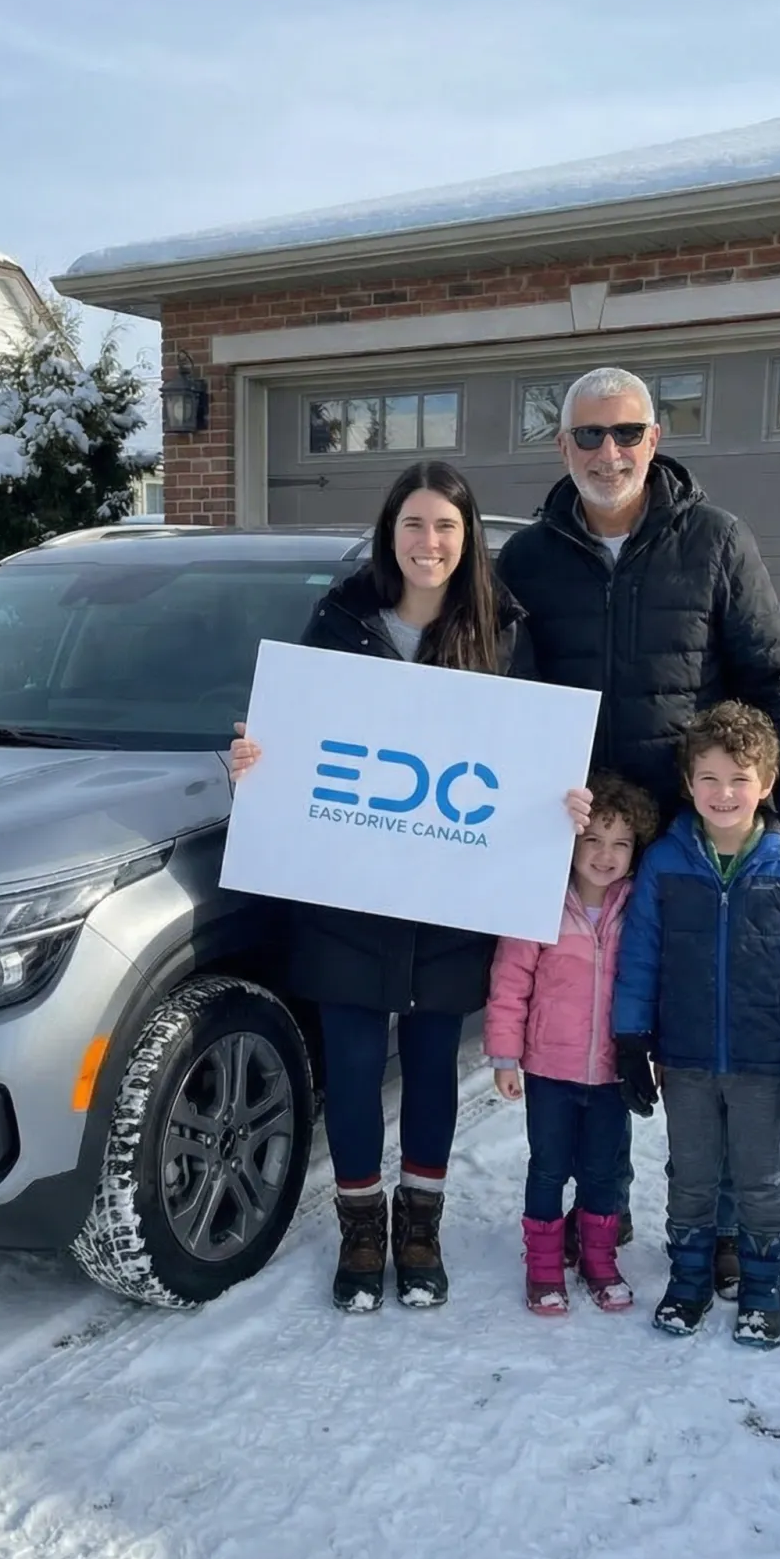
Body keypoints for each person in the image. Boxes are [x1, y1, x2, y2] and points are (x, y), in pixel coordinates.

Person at [229, 459, 590, 1315]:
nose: (430, 543)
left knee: (430, 1069)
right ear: (390, 532)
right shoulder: (340, 620)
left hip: (452, 897)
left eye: (446, 527)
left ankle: (419, 1228)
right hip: (348, 895)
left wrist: (562, 801)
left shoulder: (504, 632)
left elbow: (529, 757)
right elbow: (299, 742)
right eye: (414, 524)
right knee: (355, 1070)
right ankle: (361, 1229)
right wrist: (254, 762)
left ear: (469, 540)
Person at [494, 364, 780, 1273]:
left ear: (655, 439)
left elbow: (773, 674)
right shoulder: (527, 560)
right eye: (590, 435)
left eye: (626, 433)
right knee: (588, 1026)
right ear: (563, 446)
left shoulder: (715, 539)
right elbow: (498, 693)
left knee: (698, 1034)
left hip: (691, 837)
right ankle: (594, 1206)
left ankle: (714, 1222)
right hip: (582, 842)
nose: (609, 452)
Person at [612, 702, 780, 1348]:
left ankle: (762, 1288)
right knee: (689, 1174)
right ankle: (688, 1280)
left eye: (740, 778)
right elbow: (639, 956)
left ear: (767, 784)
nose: (724, 793)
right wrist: (631, 1041)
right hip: (684, 1057)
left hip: (761, 1059)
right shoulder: (665, 862)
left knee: (759, 1177)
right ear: (688, 783)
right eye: (709, 778)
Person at [485, 773, 659, 1315]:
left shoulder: (640, 910)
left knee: (602, 1170)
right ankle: (543, 1265)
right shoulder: (543, 905)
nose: (606, 855)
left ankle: (598, 1260)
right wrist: (505, 1055)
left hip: (611, 1072)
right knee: (548, 1166)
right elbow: (510, 984)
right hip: (549, 1069)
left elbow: (654, 985)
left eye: (621, 843)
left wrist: (653, 1054)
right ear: (572, 842)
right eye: (595, 840)